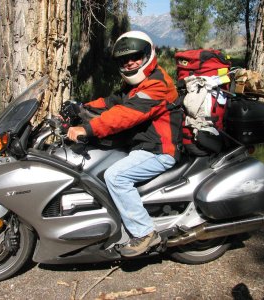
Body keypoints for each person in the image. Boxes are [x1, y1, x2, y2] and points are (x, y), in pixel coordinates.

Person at [67, 31, 181, 257]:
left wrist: (87, 129)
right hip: (141, 145)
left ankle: (145, 233)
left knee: (116, 176)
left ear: (147, 55)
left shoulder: (157, 85)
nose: (130, 63)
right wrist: (80, 107)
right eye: (124, 60)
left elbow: (124, 115)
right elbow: (111, 103)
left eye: (135, 57)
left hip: (159, 150)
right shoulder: (136, 85)